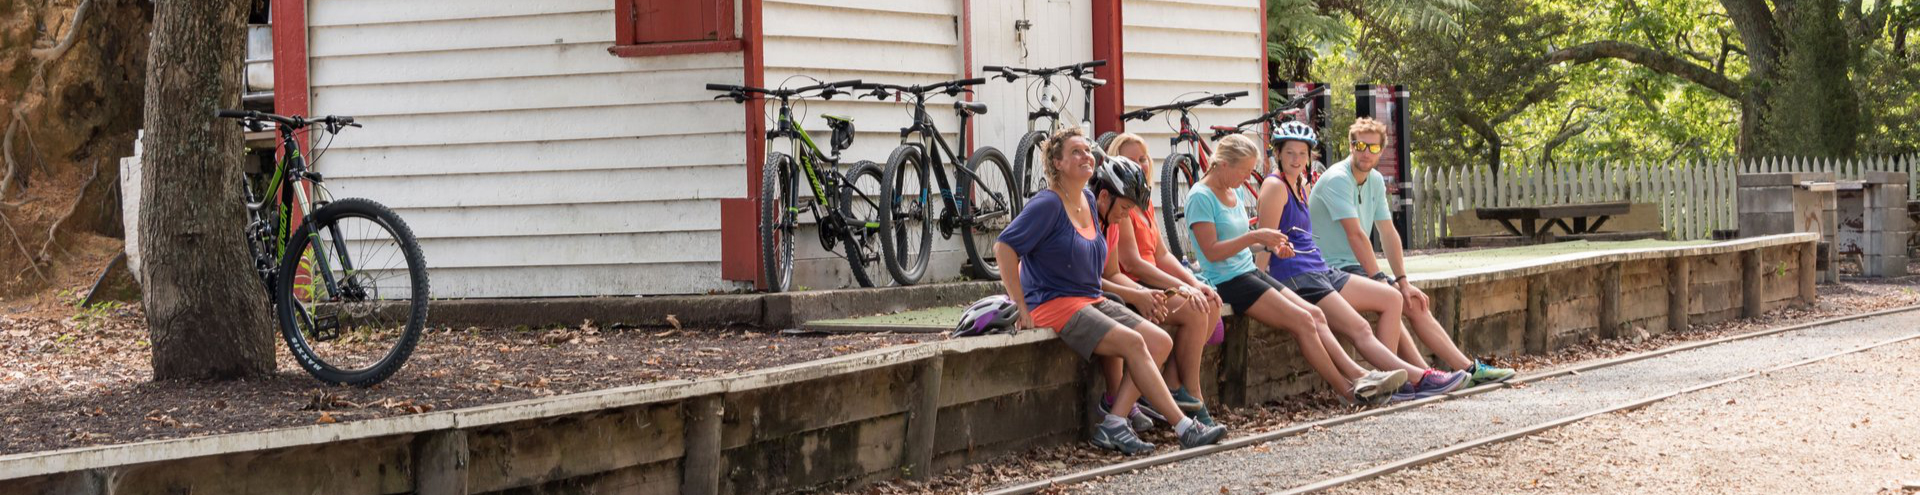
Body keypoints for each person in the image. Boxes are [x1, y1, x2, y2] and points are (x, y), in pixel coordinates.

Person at [994, 127, 1228, 455]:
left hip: (1090, 298)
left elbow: (1104, 272)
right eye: (1075, 152)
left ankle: (1114, 423)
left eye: (1086, 151)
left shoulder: (1090, 201)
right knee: (1134, 342)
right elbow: (1004, 246)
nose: (1085, 156)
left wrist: (1140, 294)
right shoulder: (1047, 205)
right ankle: (1184, 427)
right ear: (1057, 163)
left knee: (1160, 340)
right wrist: (1020, 305)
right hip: (1054, 302)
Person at [1258, 121, 1478, 400]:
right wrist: (1259, 280)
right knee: (1360, 327)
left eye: (1302, 154)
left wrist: (1400, 280)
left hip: (1320, 269)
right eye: (1290, 153)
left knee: (1392, 298)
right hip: (1298, 275)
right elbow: (1265, 241)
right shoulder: (1276, 186)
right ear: (1277, 154)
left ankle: (1402, 381)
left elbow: (1386, 231)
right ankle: (1416, 377)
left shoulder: (1300, 185)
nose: (1297, 160)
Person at [1184, 133, 1406, 405]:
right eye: (1243, 170)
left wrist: (1271, 245)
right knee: (1303, 321)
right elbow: (1211, 251)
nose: (1246, 177)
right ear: (1222, 164)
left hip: (1247, 271)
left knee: (1315, 314)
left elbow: (1241, 243)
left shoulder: (1235, 190)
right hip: (1227, 280)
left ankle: (1360, 377)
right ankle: (1350, 390)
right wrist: (1256, 237)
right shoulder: (1200, 197)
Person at [1306, 118, 1516, 387]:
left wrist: (1403, 280)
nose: (1365, 153)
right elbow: (1356, 236)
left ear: (1381, 151)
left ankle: (1463, 369)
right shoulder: (1338, 179)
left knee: (1413, 301)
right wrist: (1382, 279)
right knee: (1391, 298)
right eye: (1359, 145)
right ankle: (1402, 381)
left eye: (1372, 148)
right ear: (1350, 145)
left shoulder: (1375, 180)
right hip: (1330, 269)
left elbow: (1388, 232)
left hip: (1353, 268)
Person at [1098, 133, 1227, 427]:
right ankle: (1192, 393)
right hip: (1135, 283)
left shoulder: (1144, 204)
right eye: (1132, 159)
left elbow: (1162, 254)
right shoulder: (1123, 205)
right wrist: (1179, 287)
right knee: (1196, 310)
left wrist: (1194, 283)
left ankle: (1172, 383)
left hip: (1153, 280)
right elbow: (1133, 263)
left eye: (1143, 158)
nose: (1141, 164)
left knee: (1209, 300)